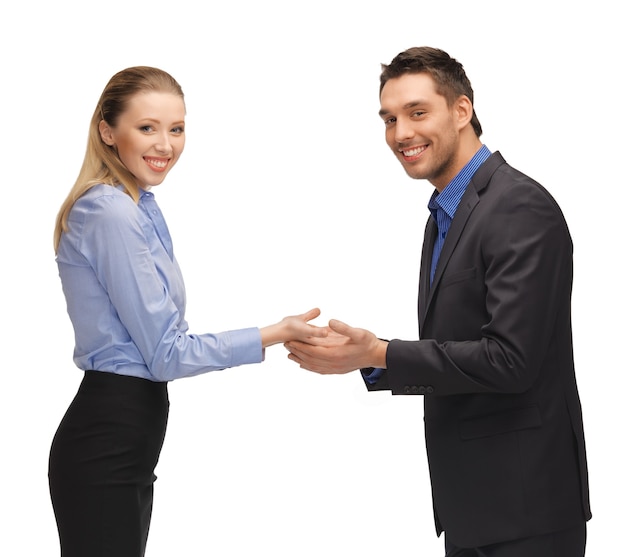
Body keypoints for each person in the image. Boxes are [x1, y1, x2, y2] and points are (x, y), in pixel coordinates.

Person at [285, 47, 591, 556]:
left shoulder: (518, 206)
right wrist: (371, 357)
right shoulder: (443, 216)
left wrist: (379, 353)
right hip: (475, 508)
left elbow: (510, 361)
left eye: (417, 112)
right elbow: (458, 349)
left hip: (526, 514)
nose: (400, 133)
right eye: (389, 119)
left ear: (462, 111)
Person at [49, 66, 325, 557]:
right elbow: (164, 354)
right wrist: (272, 332)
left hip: (128, 433)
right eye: (147, 127)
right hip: (108, 434)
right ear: (108, 132)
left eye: (176, 129)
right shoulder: (109, 212)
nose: (166, 145)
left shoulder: (137, 208)